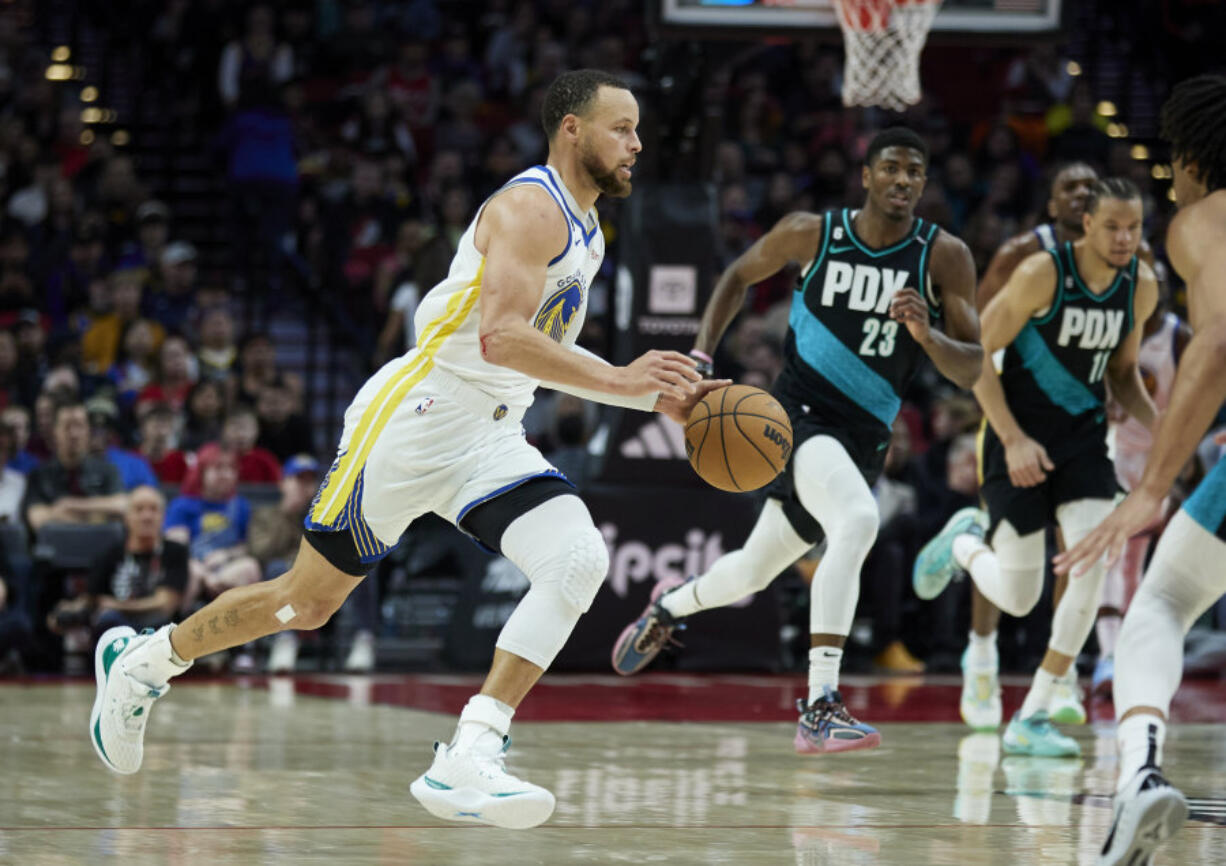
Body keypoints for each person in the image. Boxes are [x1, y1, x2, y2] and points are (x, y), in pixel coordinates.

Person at [88, 69, 719, 830]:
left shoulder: (588, 230)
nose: (637, 143)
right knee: (306, 602)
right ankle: (145, 663)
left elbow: (520, 353)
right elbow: (501, 337)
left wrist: (635, 388)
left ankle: (471, 753)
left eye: (639, 128)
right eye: (621, 127)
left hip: (490, 432)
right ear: (572, 130)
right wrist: (626, 383)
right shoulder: (529, 207)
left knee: (579, 559)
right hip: (417, 418)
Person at [611, 127, 983, 754]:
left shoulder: (943, 257)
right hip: (796, 416)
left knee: (752, 571)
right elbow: (736, 275)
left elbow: (971, 367)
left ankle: (669, 605)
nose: (901, 181)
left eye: (914, 172)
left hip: (862, 439)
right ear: (866, 176)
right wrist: (701, 354)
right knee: (859, 521)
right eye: (890, 168)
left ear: (923, 183)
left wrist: (926, 335)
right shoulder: (815, 233)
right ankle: (820, 703)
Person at [913, 178, 1159, 758]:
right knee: (1021, 597)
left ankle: (1035, 713)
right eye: (1112, 227)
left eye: (1134, 228)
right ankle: (968, 542)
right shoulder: (1041, 273)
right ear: (1088, 226)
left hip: (1081, 445)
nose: (1124, 238)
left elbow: (1121, 373)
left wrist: (1163, 424)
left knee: (1093, 560)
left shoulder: (1139, 287)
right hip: (1014, 435)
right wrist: (1014, 438)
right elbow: (977, 362)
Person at [1054, 74, 1226, 865]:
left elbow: (1219, 338)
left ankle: (1141, 778)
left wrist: (1153, 487)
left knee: (1161, 600)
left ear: (1191, 156)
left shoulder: (1203, 218)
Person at [1092, 292, 1190, 698]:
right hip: (1110, 452)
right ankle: (1108, 658)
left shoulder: (1177, 337)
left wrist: (1181, 464)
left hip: (1155, 459)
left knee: (1136, 563)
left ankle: (1127, 656)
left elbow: (1192, 403)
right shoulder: (1112, 330)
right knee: (1109, 561)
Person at [47, 485, 187, 642]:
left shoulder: (175, 551)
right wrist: (69, 611)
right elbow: (92, 599)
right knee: (105, 622)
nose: (147, 516)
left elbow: (164, 605)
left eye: (153, 509)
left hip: (159, 631)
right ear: (126, 517)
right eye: (139, 509)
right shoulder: (109, 555)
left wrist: (114, 605)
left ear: (163, 516)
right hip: (116, 632)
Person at [23, 399, 127, 532]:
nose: (74, 434)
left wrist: (69, 505)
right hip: (55, 548)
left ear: (88, 431)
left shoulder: (108, 470)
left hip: (101, 547)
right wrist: (96, 515)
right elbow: (37, 519)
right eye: (67, 426)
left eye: (79, 426)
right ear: (55, 432)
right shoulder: (39, 475)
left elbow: (122, 505)